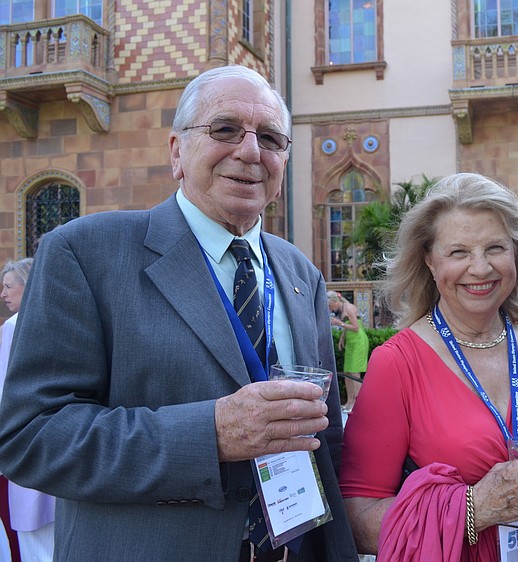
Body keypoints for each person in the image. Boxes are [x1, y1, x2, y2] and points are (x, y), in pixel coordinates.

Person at [0, 65, 358, 562]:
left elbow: (327, 440)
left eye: (271, 139)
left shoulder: (302, 274)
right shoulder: (86, 254)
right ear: (176, 152)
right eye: (225, 129)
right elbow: (32, 437)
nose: (251, 151)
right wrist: (208, 434)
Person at [340, 173, 518, 561]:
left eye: (495, 248)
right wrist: (477, 507)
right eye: (458, 252)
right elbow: (357, 518)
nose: (480, 268)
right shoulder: (397, 363)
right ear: (428, 259)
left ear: (516, 255)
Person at [0, 259, 56, 562]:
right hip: (66, 442)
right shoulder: (64, 317)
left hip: (28, 442)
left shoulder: (14, 326)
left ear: (28, 284)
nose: (3, 294)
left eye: (9, 286)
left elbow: (5, 393)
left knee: (36, 544)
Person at [327, 291, 368, 412]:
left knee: (355, 373)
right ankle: (349, 402)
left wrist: (338, 323)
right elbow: (347, 326)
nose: (330, 308)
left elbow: (356, 327)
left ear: (335, 301)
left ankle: (358, 403)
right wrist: (342, 338)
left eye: (330, 306)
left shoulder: (348, 308)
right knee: (347, 372)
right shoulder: (342, 308)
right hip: (351, 342)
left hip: (358, 341)